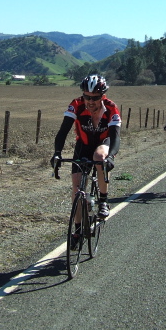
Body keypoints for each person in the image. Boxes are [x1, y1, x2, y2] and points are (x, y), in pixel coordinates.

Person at [51, 74, 121, 243]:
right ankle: (77, 230)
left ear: (102, 96)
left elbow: (115, 137)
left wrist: (111, 156)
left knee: (100, 156)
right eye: (87, 97)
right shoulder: (76, 104)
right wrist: (57, 153)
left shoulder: (111, 108)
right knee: (76, 189)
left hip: (104, 142)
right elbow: (63, 131)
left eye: (95, 98)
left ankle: (103, 200)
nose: (90, 101)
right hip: (83, 144)